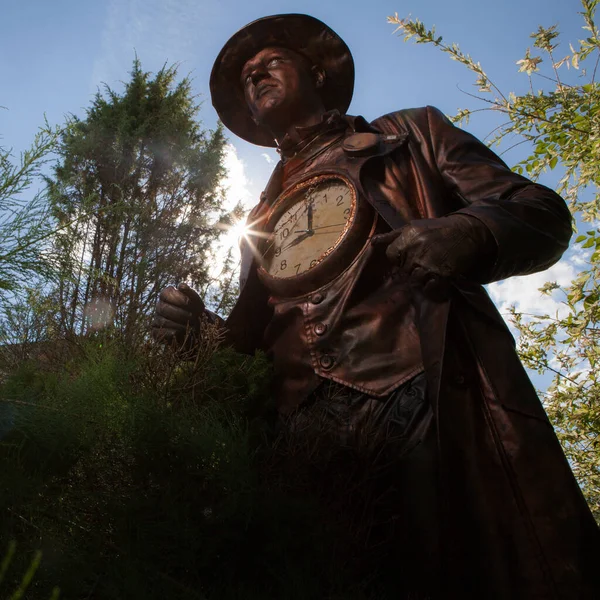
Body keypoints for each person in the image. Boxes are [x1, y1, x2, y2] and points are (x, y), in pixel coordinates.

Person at [152, 13, 600, 599]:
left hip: (427, 398)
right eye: (245, 79)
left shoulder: (411, 136)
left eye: (270, 62)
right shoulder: (257, 224)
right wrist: (201, 337)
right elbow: (248, 348)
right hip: (301, 440)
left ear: (315, 70)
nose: (255, 75)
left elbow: (537, 210)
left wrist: (469, 232)